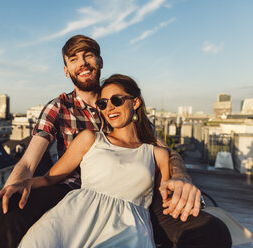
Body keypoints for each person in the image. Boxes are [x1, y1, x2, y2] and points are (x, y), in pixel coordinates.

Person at [0, 35, 231, 248]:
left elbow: (163, 151)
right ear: (66, 70)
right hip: (73, 192)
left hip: (136, 197)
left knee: (211, 231)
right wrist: (14, 186)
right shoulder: (59, 107)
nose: (82, 63)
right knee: (8, 210)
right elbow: (30, 161)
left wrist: (182, 180)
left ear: (99, 61)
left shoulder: (123, 102)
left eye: (88, 55)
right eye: (73, 59)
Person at [17, 74, 169, 247]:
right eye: (103, 103)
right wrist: (24, 183)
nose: (109, 108)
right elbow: (49, 178)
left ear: (135, 102)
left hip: (128, 232)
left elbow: (166, 197)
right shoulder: (90, 138)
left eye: (117, 100)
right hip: (71, 221)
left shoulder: (158, 154)